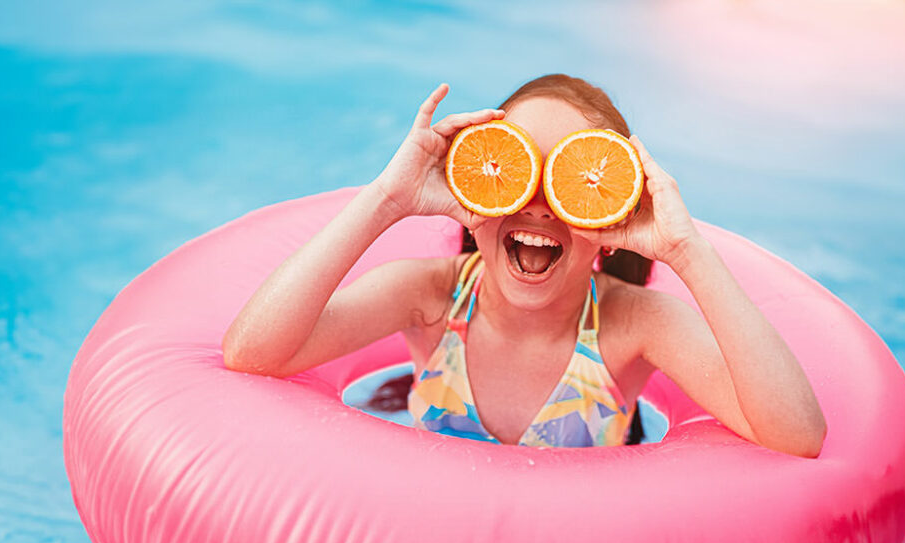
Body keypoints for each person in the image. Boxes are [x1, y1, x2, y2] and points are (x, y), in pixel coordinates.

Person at [222, 74, 826, 456]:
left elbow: (796, 436)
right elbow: (253, 354)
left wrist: (685, 251)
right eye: (513, 176)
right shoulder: (428, 299)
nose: (537, 205)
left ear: (609, 229)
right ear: (472, 203)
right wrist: (387, 199)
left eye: (571, 185)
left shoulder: (632, 326)